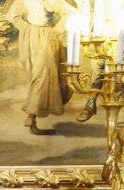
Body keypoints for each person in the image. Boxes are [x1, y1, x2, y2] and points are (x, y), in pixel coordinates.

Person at [6, 0, 76, 134]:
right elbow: (12, 15)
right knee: (36, 75)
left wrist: (56, 29)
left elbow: (71, 12)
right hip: (31, 38)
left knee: (42, 74)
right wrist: (26, 28)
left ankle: (31, 117)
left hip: (47, 37)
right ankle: (32, 117)